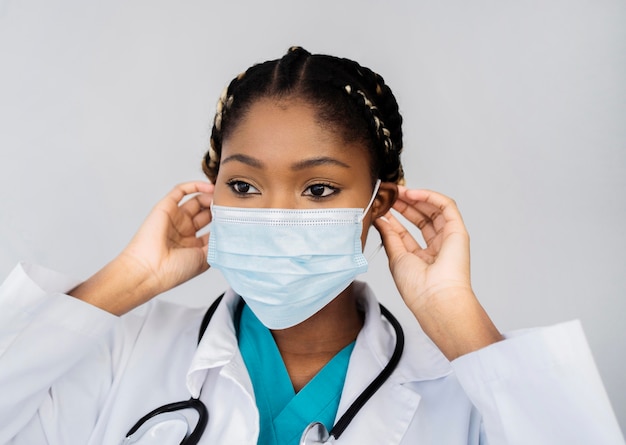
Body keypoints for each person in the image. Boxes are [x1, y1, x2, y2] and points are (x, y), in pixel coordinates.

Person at [0, 46, 623, 445]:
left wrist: (457, 319)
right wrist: (126, 280)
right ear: (210, 189)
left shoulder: (462, 396)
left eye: (319, 189)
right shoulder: (120, 353)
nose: (274, 214)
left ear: (379, 201)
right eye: (242, 184)